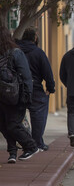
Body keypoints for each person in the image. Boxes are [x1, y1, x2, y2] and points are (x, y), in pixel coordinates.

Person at [0, 26, 39, 163]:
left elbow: (26, 76)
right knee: (4, 125)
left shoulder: (16, 53)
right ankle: (12, 152)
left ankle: (31, 146)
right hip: (3, 98)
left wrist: (27, 97)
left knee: (13, 125)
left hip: (16, 97)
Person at [17, 28, 55, 151]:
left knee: (17, 116)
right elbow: (47, 72)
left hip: (17, 89)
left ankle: (23, 142)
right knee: (38, 115)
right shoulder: (38, 53)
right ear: (35, 38)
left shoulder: (16, 51)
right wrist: (50, 88)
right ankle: (37, 143)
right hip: (35, 88)